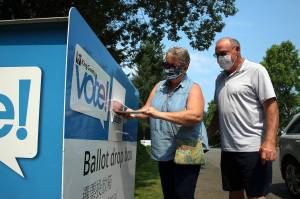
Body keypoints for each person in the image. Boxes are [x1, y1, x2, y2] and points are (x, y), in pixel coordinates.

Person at [123, 46, 208, 199]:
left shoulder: (193, 88)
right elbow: (147, 110)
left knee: (183, 196)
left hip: (187, 148)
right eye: (166, 65)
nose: (167, 69)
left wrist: (160, 114)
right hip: (164, 148)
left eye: (172, 66)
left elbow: (195, 116)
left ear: (185, 66)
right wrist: (130, 112)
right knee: (169, 195)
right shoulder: (159, 86)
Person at [207, 37, 279, 199]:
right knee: (234, 192)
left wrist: (269, 142)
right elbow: (219, 112)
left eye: (223, 53)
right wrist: (206, 136)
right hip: (228, 150)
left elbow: (271, 107)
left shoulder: (256, 70)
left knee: (256, 195)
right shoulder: (220, 78)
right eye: (216, 55)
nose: (220, 58)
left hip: (253, 149)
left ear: (237, 50)